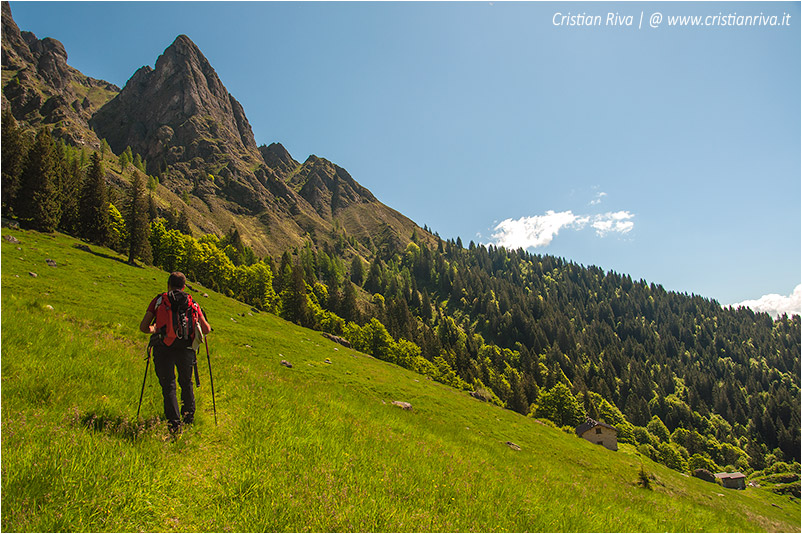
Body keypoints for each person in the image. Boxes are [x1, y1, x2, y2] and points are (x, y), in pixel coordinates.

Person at [140, 272, 211, 432]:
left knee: (169, 385)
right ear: (184, 286)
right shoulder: (192, 303)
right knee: (186, 383)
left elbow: (143, 327)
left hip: (163, 347)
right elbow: (206, 329)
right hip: (186, 349)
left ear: (168, 285)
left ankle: (174, 425)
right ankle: (188, 418)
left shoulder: (159, 300)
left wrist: (155, 329)